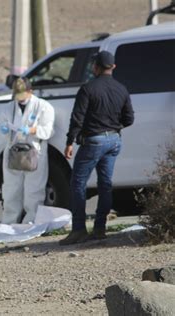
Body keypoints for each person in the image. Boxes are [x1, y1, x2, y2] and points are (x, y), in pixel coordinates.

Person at [59, 51, 134, 245]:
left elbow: (77, 118)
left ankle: (78, 230)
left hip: (93, 141)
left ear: (95, 67)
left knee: (78, 183)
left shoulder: (88, 89)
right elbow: (129, 119)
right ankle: (100, 228)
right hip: (114, 140)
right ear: (113, 67)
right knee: (105, 184)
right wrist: (113, 127)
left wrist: (69, 142)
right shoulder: (122, 89)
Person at [0, 77, 55, 225]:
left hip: (34, 152)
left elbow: (48, 131)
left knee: (34, 189)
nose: (20, 98)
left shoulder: (43, 106)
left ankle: (32, 221)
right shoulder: (9, 107)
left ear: (31, 91)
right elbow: (4, 125)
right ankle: (9, 222)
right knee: (11, 189)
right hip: (13, 151)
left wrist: (31, 130)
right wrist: (4, 129)